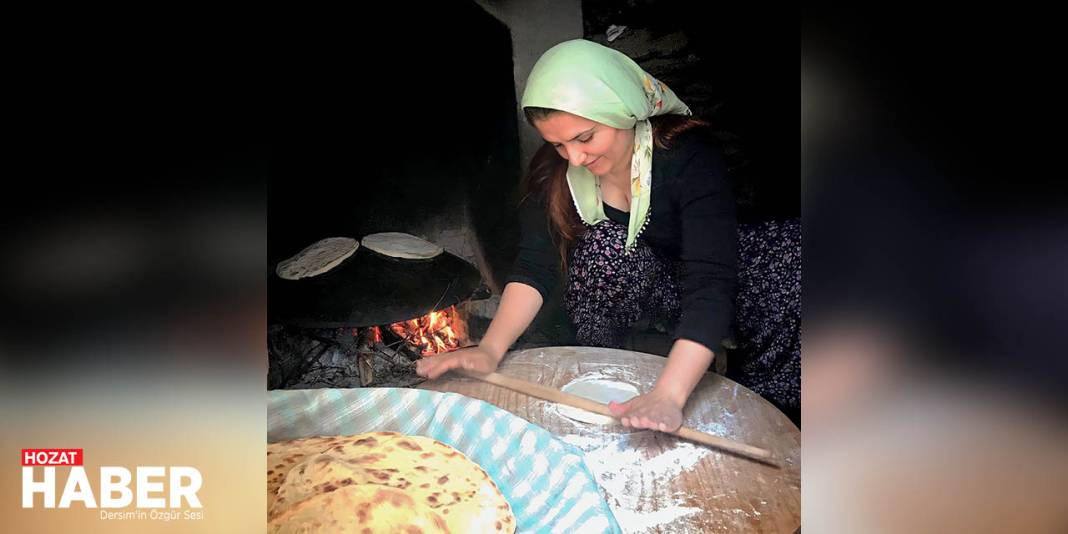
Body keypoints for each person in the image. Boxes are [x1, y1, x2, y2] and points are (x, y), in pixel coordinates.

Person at [417, 39, 800, 429]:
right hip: (666, 278)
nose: (576, 157)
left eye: (584, 138)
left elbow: (711, 281)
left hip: (748, 271)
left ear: (623, 111)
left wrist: (669, 394)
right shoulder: (558, 172)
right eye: (558, 144)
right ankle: (605, 377)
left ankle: (766, 410)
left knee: (795, 263)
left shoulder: (687, 156)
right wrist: (490, 348)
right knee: (602, 248)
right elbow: (535, 266)